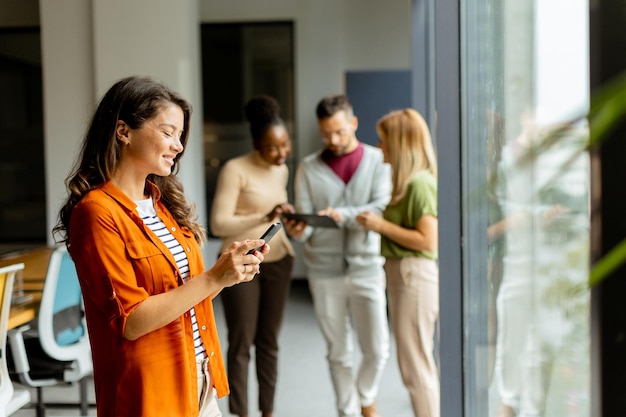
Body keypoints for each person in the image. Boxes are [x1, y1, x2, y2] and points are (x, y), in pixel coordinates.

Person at [52, 75, 270, 417]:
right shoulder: (97, 212)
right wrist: (213, 278)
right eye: (168, 132)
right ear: (123, 131)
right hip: (153, 392)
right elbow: (132, 320)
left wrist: (227, 273)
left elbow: (184, 295)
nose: (178, 146)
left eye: (180, 136)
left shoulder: (163, 206)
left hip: (199, 379)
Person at [284, 94, 391, 417]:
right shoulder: (308, 167)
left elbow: (381, 207)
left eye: (340, 132)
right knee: (338, 352)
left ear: (353, 123)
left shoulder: (378, 160)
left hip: (367, 267)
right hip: (323, 270)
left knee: (378, 349)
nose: (333, 139)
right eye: (326, 133)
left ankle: (365, 397)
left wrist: (342, 214)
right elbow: (307, 219)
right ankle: (346, 410)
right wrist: (301, 229)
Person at [210, 95, 296, 417]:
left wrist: (290, 222)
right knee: (242, 342)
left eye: (285, 144)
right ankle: (240, 413)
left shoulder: (282, 170)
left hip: (278, 260)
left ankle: (268, 412)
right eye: (272, 147)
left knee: (269, 341)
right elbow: (219, 223)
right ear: (256, 142)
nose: (281, 153)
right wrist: (264, 215)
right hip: (240, 264)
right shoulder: (235, 169)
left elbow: (275, 219)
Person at [356, 108, 440, 417]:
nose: (380, 147)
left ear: (400, 143)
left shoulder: (419, 184)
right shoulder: (406, 184)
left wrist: (380, 226)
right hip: (403, 273)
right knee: (414, 365)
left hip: (413, 273)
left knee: (416, 367)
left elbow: (428, 241)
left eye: (384, 140)